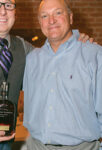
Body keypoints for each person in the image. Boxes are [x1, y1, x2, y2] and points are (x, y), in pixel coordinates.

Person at [0, 0, 95, 150]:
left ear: (15, 12)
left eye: (8, 5)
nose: (2, 11)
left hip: (6, 143)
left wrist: (76, 43)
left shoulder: (24, 48)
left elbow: (53, 60)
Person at [23, 0, 102, 150]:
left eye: (58, 13)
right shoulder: (32, 59)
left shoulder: (95, 55)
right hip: (36, 145)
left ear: (71, 18)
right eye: (45, 16)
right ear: (40, 22)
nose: (51, 20)